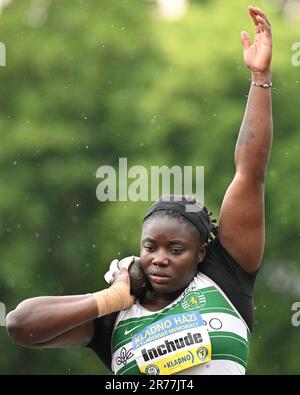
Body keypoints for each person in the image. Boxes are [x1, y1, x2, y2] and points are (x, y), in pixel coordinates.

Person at [6, 5, 273, 375]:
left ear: (201, 254)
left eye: (176, 249)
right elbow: (21, 325)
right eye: (151, 247)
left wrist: (260, 76)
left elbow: (250, 173)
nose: (159, 258)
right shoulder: (115, 312)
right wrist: (109, 299)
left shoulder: (225, 279)